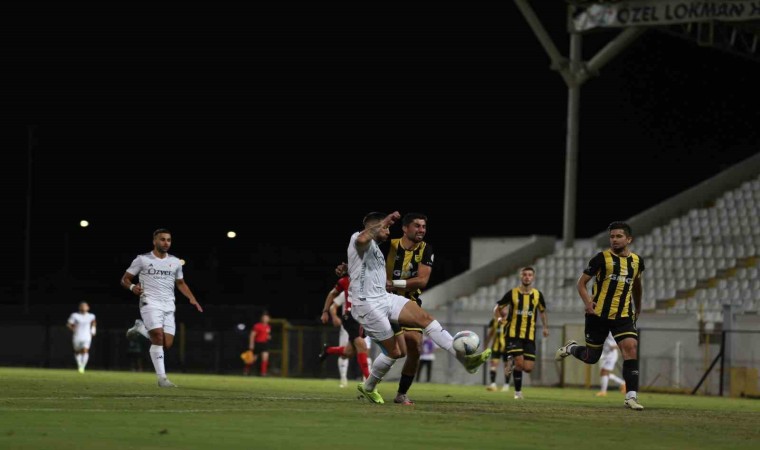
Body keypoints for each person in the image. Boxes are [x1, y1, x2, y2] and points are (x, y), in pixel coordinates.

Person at [348, 211, 491, 404]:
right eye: (386, 228)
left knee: (426, 320)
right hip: (367, 304)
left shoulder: (377, 248)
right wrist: (385, 221)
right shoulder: (358, 238)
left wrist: (348, 269)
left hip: (384, 298)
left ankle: (466, 360)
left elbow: (364, 267)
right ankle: (368, 387)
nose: (389, 231)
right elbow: (361, 241)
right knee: (395, 353)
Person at [555, 221, 645, 411]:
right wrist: (588, 303)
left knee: (631, 348)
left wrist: (638, 306)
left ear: (629, 239)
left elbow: (636, 285)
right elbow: (581, 283)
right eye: (612, 236)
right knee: (591, 357)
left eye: (619, 236)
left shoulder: (637, 261)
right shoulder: (601, 258)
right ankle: (571, 348)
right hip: (598, 315)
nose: (614, 240)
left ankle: (631, 396)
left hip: (623, 315)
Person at [121, 228, 204, 388]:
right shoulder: (142, 259)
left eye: (168, 240)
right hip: (149, 302)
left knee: (166, 344)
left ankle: (140, 328)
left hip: (168, 305)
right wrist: (132, 287)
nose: (166, 242)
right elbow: (125, 279)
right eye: (162, 239)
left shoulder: (175, 261)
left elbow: (180, 283)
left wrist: (192, 298)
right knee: (158, 337)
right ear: (154, 241)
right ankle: (162, 379)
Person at [385, 212, 434, 405]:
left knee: (415, 346)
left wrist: (394, 283)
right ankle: (370, 384)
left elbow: (422, 280)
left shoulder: (426, 249)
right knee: (395, 350)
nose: (421, 230)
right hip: (384, 302)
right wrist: (348, 268)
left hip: (410, 303)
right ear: (405, 228)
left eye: (424, 226)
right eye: (417, 226)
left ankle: (401, 394)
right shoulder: (389, 245)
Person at [494, 266, 549, 399]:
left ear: (533, 277)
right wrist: (499, 319)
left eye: (529, 275)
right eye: (525, 275)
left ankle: (511, 360)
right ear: (521, 277)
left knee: (528, 368)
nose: (527, 277)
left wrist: (545, 327)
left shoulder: (537, 295)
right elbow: (497, 308)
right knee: (519, 363)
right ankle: (518, 393)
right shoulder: (512, 293)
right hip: (513, 334)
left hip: (529, 336)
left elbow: (542, 311)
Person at [319, 263, 372, 387]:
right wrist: (325, 311)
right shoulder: (345, 281)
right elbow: (332, 294)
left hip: (364, 319)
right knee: (362, 346)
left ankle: (328, 350)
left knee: (349, 352)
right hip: (350, 317)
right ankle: (369, 384)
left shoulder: (369, 281)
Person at [482, 303, 513, 392]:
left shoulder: (510, 321)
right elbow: (490, 334)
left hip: (507, 348)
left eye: (505, 308)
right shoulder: (494, 321)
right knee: (493, 365)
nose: (503, 310)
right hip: (496, 347)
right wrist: (486, 345)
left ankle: (506, 385)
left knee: (507, 366)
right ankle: (493, 385)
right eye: (501, 309)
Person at [67, 301, 96, 373]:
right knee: (77, 352)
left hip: (87, 336)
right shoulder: (74, 315)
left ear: (88, 308)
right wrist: (73, 329)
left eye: (85, 306)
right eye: (82, 306)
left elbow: (94, 323)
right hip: (77, 336)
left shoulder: (91, 316)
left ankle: (83, 366)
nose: (83, 307)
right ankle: (79, 365)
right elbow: (69, 324)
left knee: (85, 350)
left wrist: (93, 330)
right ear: (79, 307)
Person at [596, 332, 626, 396]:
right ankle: (623, 383)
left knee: (604, 372)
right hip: (603, 354)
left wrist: (615, 346)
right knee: (603, 373)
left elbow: (617, 343)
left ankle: (603, 392)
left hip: (610, 355)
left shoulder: (610, 331)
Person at [248, 312, 272, 376]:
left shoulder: (268, 327)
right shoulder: (257, 326)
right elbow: (252, 335)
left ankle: (263, 373)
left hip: (265, 344)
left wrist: (268, 337)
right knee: (253, 359)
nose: (265, 319)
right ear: (261, 319)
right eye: (264, 318)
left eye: (266, 318)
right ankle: (247, 370)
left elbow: (267, 334)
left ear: (269, 319)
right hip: (257, 343)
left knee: (265, 358)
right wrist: (251, 344)